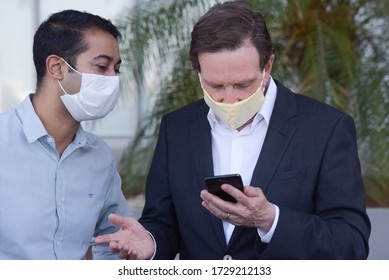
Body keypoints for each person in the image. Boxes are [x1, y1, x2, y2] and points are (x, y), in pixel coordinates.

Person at [96, 1, 371, 259]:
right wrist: (151, 244)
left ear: (268, 66)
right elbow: (164, 222)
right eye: (215, 85)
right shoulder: (177, 127)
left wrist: (271, 220)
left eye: (242, 85)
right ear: (199, 72)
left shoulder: (327, 127)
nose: (229, 99)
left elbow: (351, 243)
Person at [0, 9, 133, 259]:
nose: (113, 79)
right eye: (102, 66)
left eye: (116, 69)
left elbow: (114, 242)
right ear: (56, 67)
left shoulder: (99, 156)